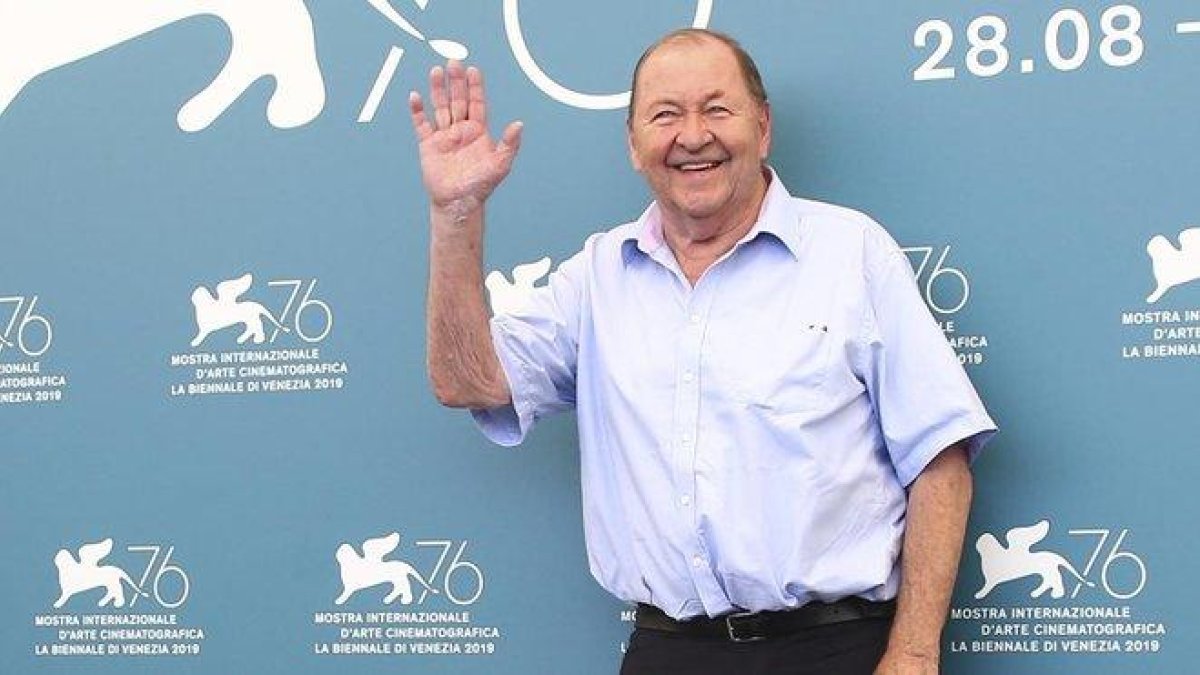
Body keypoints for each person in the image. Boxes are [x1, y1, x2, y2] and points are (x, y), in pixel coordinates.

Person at [409, 28, 996, 675]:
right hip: (669, 652)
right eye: (665, 115)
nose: (693, 135)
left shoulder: (853, 254)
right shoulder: (596, 276)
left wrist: (913, 652)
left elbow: (940, 457)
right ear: (634, 145)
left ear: (763, 127)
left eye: (717, 109)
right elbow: (468, 381)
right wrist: (456, 213)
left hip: (838, 650)